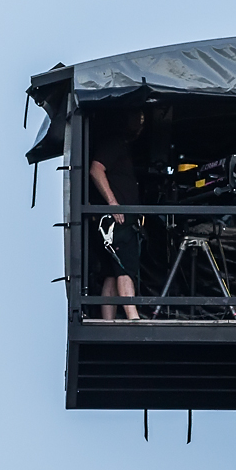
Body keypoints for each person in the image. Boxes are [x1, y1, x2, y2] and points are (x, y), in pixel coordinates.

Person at [89, 110, 145, 320]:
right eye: (137, 117)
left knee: (111, 272)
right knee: (124, 267)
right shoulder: (114, 143)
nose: (141, 123)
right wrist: (113, 203)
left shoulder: (120, 146)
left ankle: (108, 321)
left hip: (112, 220)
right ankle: (133, 317)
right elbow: (95, 170)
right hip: (117, 219)